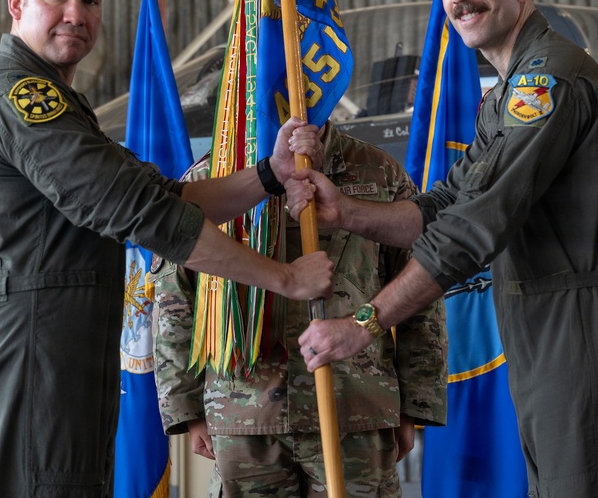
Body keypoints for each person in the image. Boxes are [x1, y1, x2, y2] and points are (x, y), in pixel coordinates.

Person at [289, 0, 598, 498]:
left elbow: (472, 230)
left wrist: (364, 325)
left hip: (585, 343)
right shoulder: (505, 94)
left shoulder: (547, 84)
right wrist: (346, 211)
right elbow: (446, 204)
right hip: (551, 344)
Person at [0, 0, 333, 497]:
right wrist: (285, 278)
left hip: (56, 358)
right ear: (17, 3)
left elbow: (165, 196)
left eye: (90, 1)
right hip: (29, 361)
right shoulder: (21, 100)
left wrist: (268, 176)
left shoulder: (59, 105)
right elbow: (143, 215)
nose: (76, 13)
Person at [152, 120, 447, 498]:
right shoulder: (216, 174)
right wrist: (185, 410)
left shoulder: (379, 171)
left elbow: (421, 289)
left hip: (355, 408)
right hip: (243, 411)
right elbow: (175, 299)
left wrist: (415, 405)